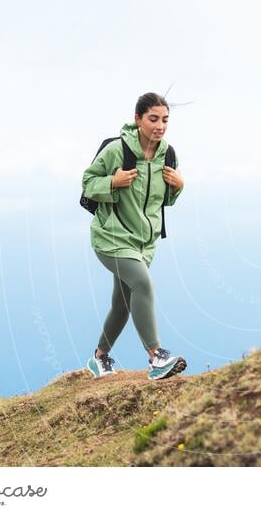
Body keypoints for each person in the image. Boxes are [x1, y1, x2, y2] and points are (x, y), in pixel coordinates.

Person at [81, 92, 187, 380]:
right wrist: (112, 182)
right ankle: (156, 357)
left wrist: (178, 186)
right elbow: (88, 182)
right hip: (111, 238)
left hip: (143, 244)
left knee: (123, 303)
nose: (160, 125)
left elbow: (162, 202)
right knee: (142, 283)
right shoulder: (117, 150)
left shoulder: (168, 155)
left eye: (165, 119)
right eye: (153, 119)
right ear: (138, 119)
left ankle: (99, 358)